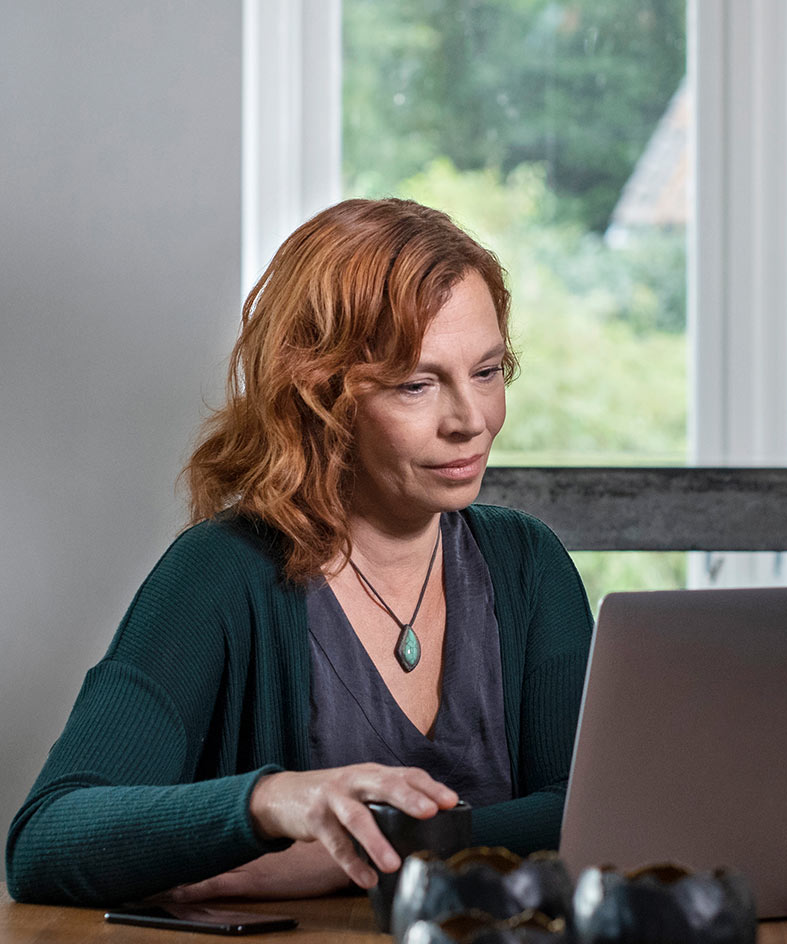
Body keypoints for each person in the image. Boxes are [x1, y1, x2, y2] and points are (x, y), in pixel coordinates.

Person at [5, 199, 594, 906]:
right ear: (318, 394)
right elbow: (45, 840)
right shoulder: (218, 573)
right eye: (417, 384)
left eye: (488, 372)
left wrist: (362, 858)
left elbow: (589, 808)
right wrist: (273, 801)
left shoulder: (529, 564)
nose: (470, 421)